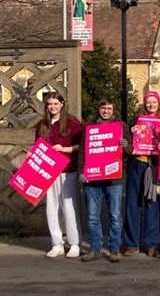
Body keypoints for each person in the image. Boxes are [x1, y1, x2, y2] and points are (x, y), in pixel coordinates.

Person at [78, 99, 132, 262]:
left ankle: (114, 249)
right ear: (98, 110)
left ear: (113, 110)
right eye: (103, 108)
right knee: (93, 216)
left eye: (109, 108)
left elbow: (130, 150)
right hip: (92, 179)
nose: (106, 111)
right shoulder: (89, 128)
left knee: (115, 215)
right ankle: (95, 249)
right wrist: (81, 172)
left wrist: (125, 145)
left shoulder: (121, 126)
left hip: (113, 179)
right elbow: (82, 152)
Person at [36, 92, 83, 258]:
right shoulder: (42, 125)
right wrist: (31, 154)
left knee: (69, 208)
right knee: (51, 208)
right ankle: (57, 243)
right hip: (48, 171)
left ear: (62, 104)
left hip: (67, 170)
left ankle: (74, 243)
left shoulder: (73, 123)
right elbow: (38, 147)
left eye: (55, 103)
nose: (52, 107)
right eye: (49, 104)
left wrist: (65, 149)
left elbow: (81, 146)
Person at [123, 90, 160, 257]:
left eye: (154, 102)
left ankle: (152, 244)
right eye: (148, 102)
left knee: (152, 204)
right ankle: (131, 244)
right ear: (144, 103)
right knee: (132, 204)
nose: (151, 104)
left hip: (153, 166)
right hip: (137, 164)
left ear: (159, 104)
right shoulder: (136, 120)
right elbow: (128, 144)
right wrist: (131, 135)